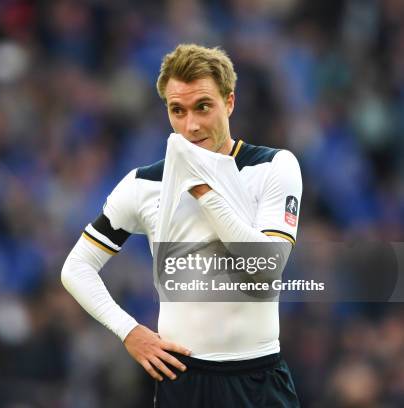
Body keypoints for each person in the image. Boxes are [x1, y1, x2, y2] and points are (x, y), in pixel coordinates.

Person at [61, 44, 302, 407]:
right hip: (183, 381)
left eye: (203, 106)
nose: (191, 124)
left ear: (229, 102)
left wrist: (202, 188)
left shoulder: (273, 167)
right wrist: (129, 332)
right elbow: (76, 268)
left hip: (258, 379)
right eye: (178, 110)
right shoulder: (144, 184)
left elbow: (266, 269)